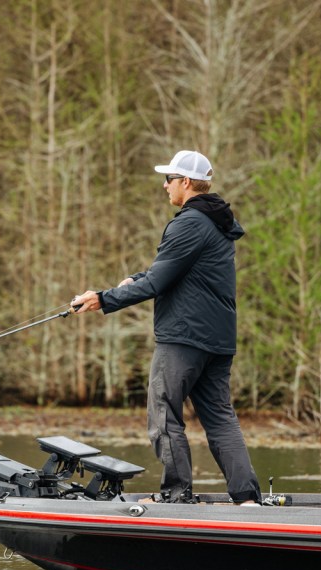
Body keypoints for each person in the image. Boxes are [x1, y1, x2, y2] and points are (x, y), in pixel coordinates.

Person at [71, 150, 261, 504]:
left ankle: (176, 495)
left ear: (185, 182)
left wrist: (103, 298)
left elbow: (158, 282)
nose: (164, 185)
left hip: (184, 338)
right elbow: (174, 271)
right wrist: (136, 278)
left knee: (163, 414)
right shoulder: (217, 223)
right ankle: (247, 499)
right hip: (217, 339)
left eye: (169, 179)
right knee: (220, 418)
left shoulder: (189, 222)